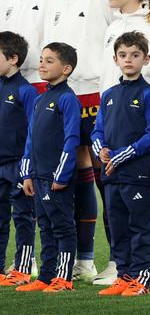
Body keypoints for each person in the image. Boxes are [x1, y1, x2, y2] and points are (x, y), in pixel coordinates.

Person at [93, 0, 150, 287]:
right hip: (114, 114)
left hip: (143, 116)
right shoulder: (116, 24)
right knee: (115, 195)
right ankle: (121, 264)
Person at [45, 0, 112, 280]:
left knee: (107, 179)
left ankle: (118, 261)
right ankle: (84, 259)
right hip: (66, 98)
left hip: (98, 97)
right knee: (75, 175)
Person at [90, 31, 150, 297]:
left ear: (146, 58)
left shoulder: (149, 94)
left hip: (137, 174)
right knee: (117, 227)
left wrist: (120, 155)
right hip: (111, 175)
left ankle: (141, 277)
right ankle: (123, 275)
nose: (128, 60)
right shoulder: (108, 94)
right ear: (115, 59)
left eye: (135, 55)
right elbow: (97, 131)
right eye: (123, 55)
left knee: (139, 226)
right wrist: (101, 151)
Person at [17, 42, 81, 293]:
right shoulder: (40, 98)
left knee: (62, 226)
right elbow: (30, 140)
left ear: (66, 69)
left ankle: (64, 278)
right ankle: (46, 276)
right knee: (44, 225)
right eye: (42, 59)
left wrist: (62, 174)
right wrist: (27, 174)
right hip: (38, 175)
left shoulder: (67, 98)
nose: (42, 64)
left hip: (56, 177)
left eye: (49, 60)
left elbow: (71, 139)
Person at [0, 32, 38, 286]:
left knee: (23, 217)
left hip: (18, 166)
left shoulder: (27, 91)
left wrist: (27, 169)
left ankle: (23, 268)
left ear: (13, 59)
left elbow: (34, 134)